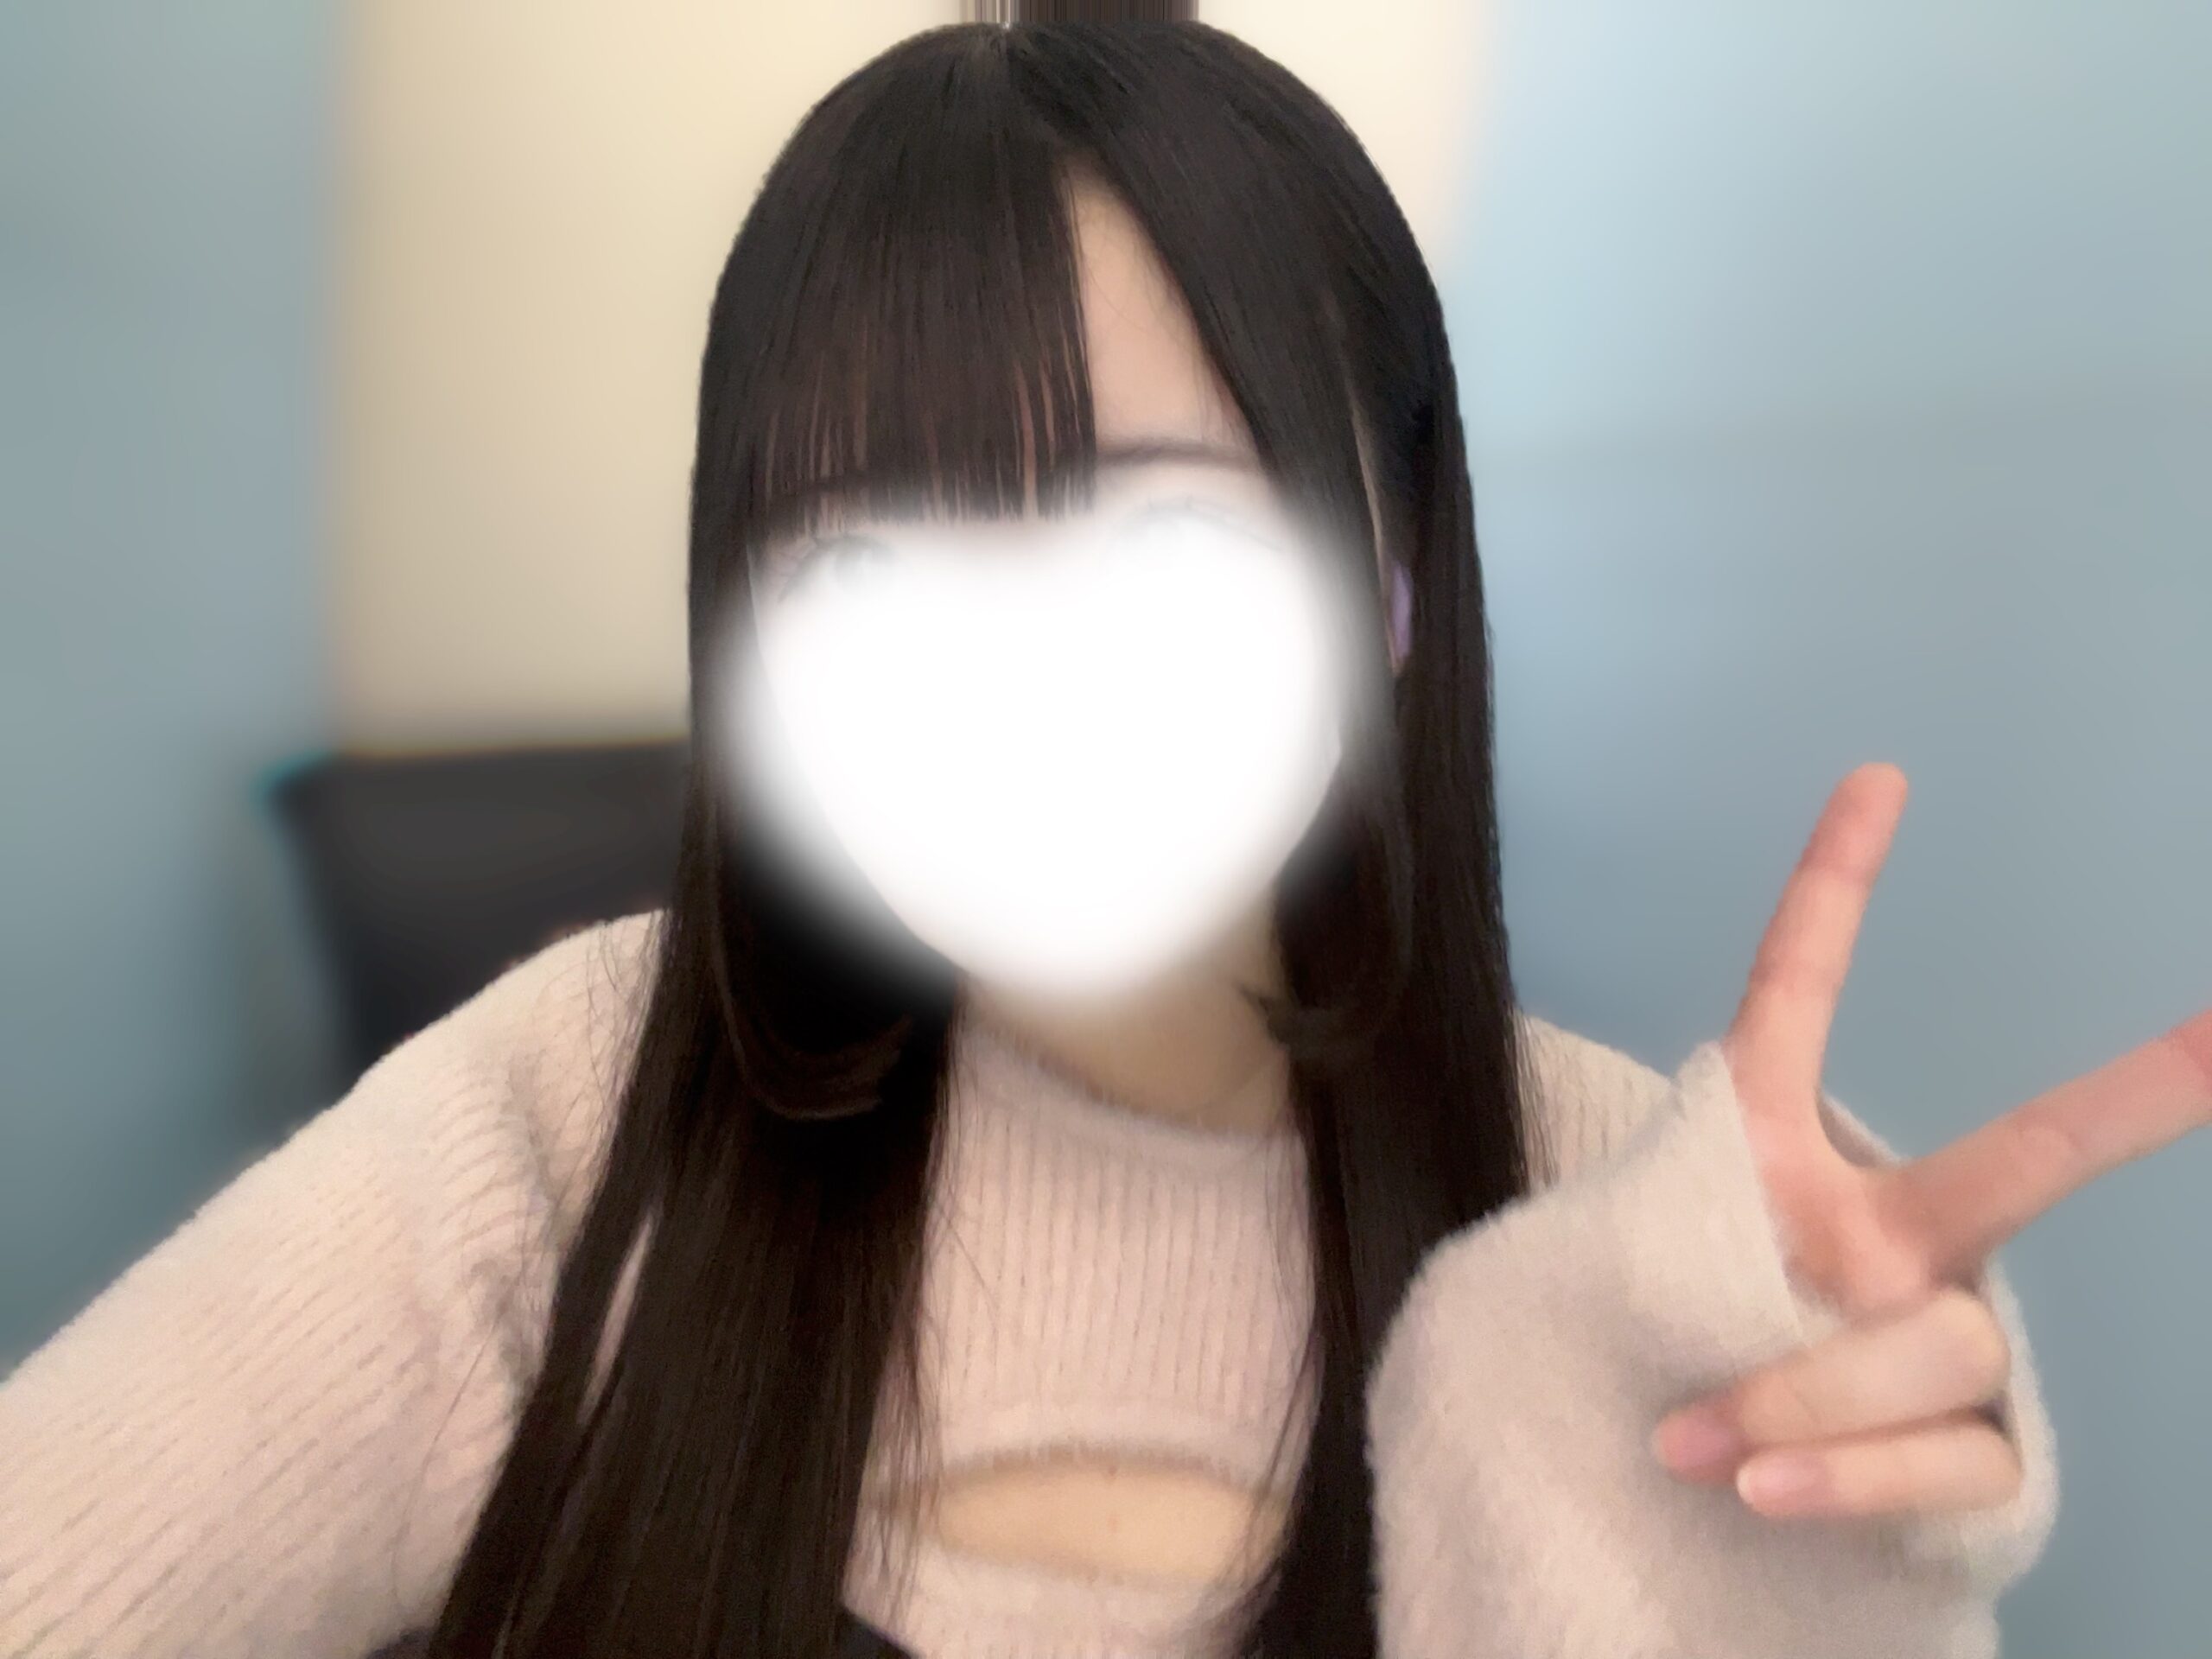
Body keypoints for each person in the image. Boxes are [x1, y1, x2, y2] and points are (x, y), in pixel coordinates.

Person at [4, 18, 2206, 1659]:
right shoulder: (572, 1121)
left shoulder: (1621, 1235)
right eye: (864, 569)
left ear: (1391, 589)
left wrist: (1781, 1553)